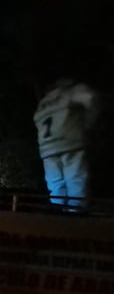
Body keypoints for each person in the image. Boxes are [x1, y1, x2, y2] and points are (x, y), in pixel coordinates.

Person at [33, 78, 99, 208]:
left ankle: (59, 213)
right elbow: (91, 98)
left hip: (47, 148)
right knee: (75, 180)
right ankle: (75, 213)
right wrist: (88, 123)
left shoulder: (43, 104)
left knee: (55, 184)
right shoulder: (69, 92)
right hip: (70, 142)